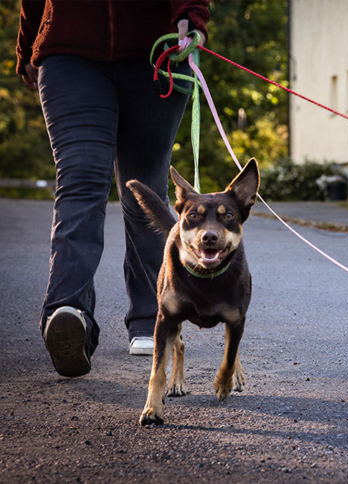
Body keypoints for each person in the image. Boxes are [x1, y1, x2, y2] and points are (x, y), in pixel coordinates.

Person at [17, 0, 210, 377]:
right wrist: (28, 46)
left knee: (144, 190)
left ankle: (152, 316)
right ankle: (67, 312)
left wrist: (192, 14)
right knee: (80, 179)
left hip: (154, 55)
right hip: (69, 54)